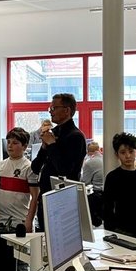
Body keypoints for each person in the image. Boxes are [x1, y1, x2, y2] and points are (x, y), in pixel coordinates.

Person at [0, 127, 40, 271]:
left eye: (15, 143)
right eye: (9, 142)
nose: (10, 146)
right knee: (2, 261)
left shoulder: (29, 167)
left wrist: (29, 220)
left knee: (21, 263)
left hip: (19, 221)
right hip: (1, 220)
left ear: (25, 146)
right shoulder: (0, 166)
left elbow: (35, 196)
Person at [31, 93, 86, 228]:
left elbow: (65, 170)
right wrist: (44, 147)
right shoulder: (53, 133)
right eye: (50, 108)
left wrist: (52, 145)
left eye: (54, 108)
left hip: (63, 201)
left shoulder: (76, 136)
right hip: (45, 197)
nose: (51, 112)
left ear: (67, 110)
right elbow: (36, 167)